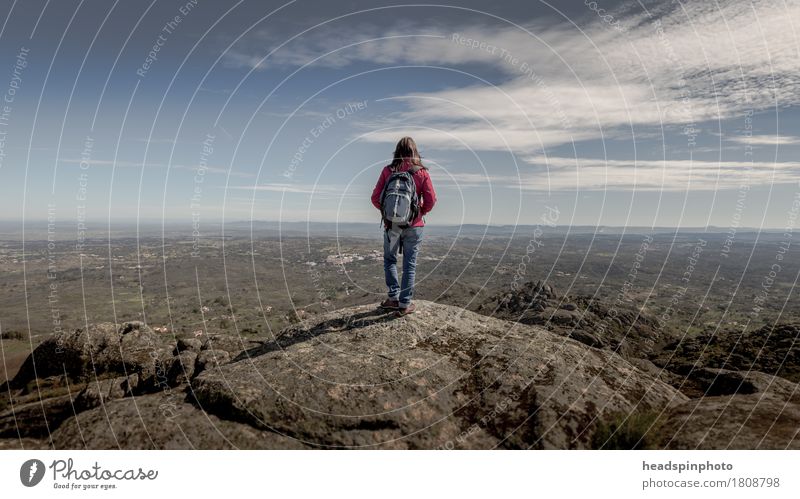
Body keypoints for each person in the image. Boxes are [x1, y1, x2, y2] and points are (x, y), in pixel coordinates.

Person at [371, 136, 437, 316]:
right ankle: (405, 304)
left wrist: (388, 213)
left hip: (392, 226)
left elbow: (375, 198)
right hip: (414, 227)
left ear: (397, 152)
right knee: (410, 264)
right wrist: (418, 213)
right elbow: (431, 200)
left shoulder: (388, 171)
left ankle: (393, 298)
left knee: (390, 260)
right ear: (415, 152)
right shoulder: (422, 172)